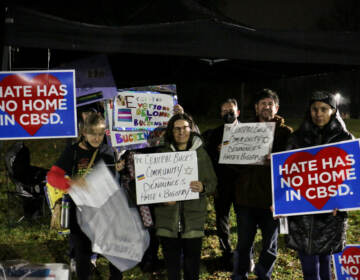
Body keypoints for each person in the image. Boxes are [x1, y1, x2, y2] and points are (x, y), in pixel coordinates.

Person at [47, 112, 123, 280]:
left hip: (106, 213)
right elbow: (52, 177)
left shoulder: (108, 151)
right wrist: (72, 183)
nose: (97, 138)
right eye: (93, 134)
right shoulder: (73, 152)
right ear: (84, 133)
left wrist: (118, 170)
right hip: (81, 214)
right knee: (83, 257)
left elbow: (112, 180)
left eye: (100, 134)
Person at [285, 91, 352, 280]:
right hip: (302, 214)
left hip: (331, 214)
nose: (318, 113)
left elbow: (350, 177)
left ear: (333, 111)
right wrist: (282, 202)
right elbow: (286, 175)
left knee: (325, 262)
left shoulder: (345, 140)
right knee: (308, 265)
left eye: (324, 109)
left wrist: (342, 201)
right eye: (314, 109)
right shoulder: (296, 139)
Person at [232, 89, 293, 280]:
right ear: (256, 107)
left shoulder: (286, 133)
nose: (266, 107)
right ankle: (240, 274)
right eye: (262, 104)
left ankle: (263, 274)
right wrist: (229, 151)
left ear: (277, 107)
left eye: (270, 104)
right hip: (246, 198)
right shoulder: (243, 131)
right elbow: (232, 166)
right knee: (243, 243)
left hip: (272, 199)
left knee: (270, 245)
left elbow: (293, 164)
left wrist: (275, 160)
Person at [154, 113, 217, 280]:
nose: (181, 132)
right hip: (167, 221)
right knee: (172, 269)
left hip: (193, 220)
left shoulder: (201, 154)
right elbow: (151, 188)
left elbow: (213, 183)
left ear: (191, 129)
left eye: (185, 128)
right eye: (177, 129)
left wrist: (203, 187)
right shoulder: (161, 154)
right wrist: (162, 199)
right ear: (171, 132)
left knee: (192, 267)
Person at [202, 98, 241, 269]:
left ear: (238, 112)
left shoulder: (250, 132)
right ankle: (227, 252)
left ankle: (244, 252)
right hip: (222, 185)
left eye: (231, 110)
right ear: (220, 114)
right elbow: (209, 159)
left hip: (242, 185)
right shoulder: (214, 134)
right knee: (222, 219)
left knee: (244, 221)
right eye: (224, 111)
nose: (228, 114)